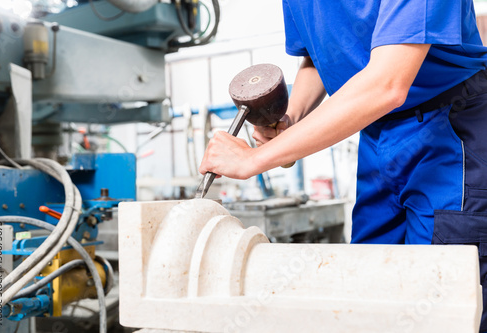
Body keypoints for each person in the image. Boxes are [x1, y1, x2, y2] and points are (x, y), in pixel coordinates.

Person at [199, 1, 487, 330]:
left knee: (447, 300)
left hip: (449, 129)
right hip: (377, 134)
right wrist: (292, 117)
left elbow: (388, 84)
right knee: (369, 290)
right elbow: (318, 57)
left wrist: (256, 158)